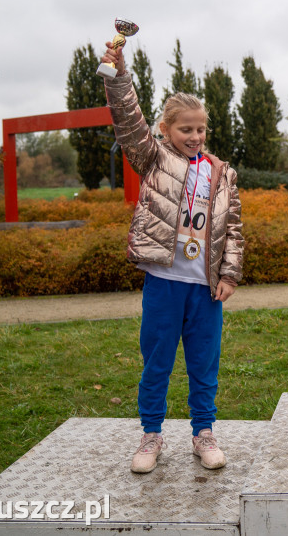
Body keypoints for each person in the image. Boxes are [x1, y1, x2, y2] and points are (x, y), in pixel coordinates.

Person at [100, 43, 244, 474]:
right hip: (163, 282)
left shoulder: (223, 173)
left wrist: (230, 274)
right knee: (157, 362)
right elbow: (128, 121)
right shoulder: (154, 158)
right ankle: (151, 435)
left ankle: (204, 433)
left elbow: (233, 227)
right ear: (166, 129)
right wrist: (119, 71)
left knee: (204, 364)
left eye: (200, 129)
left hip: (205, 287)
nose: (195, 136)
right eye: (186, 129)